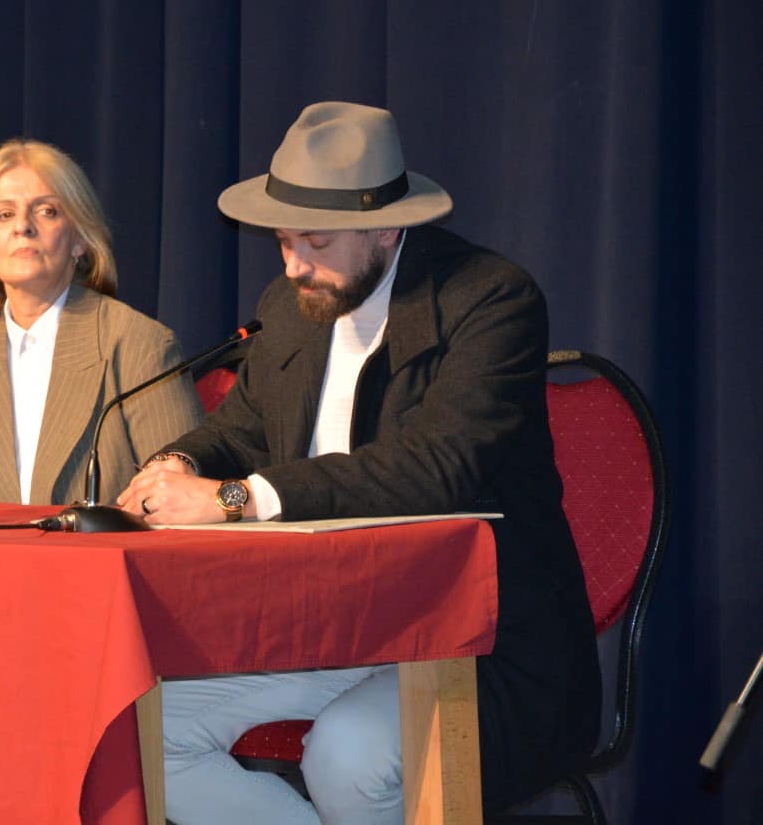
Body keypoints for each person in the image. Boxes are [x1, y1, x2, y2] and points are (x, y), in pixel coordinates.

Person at [115, 101, 599, 821]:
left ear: (386, 229)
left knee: (348, 753)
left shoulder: (490, 300)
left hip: (479, 643)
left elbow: (434, 468)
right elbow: (242, 430)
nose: (293, 265)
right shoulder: (292, 304)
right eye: (283, 241)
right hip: (328, 630)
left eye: (315, 242)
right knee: (143, 735)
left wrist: (235, 498)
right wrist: (175, 465)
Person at [0, 139, 202, 506]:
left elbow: (179, 504)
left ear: (79, 239)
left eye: (46, 211)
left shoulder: (138, 344)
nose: (23, 226)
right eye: (4, 215)